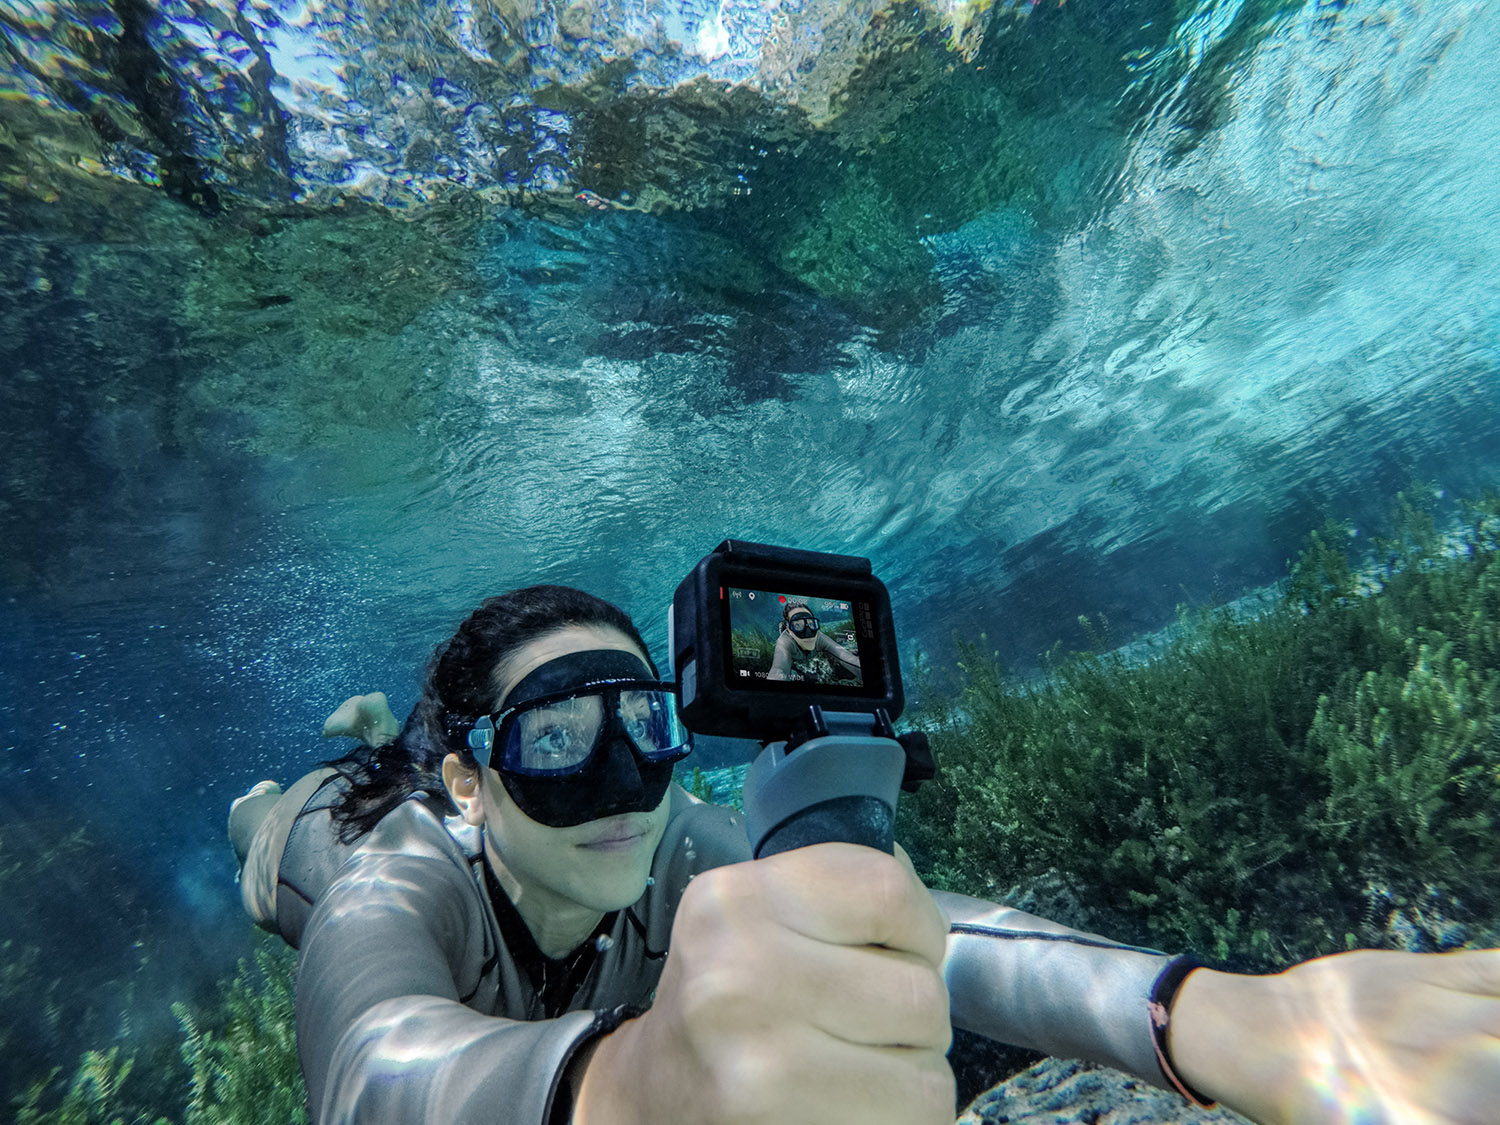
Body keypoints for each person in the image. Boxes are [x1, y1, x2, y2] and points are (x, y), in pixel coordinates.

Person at [230, 585, 1500, 1125]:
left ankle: (386, 729)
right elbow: (370, 1072)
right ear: (478, 782)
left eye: (644, 726)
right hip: (319, 838)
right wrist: (635, 1089)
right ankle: (333, 761)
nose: (622, 783)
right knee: (291, 820)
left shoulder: (675, 846)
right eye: (558, 739)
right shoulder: (391, 889)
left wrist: (1208, 1012)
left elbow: (922, 926)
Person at [766, 600, 862, 683]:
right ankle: (783, 626)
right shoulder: (785, 642)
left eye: (811, 624)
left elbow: (846, 657)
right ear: (789, 629)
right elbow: (778, 670)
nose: (808, 633)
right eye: (797, 625)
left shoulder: (819, 637)